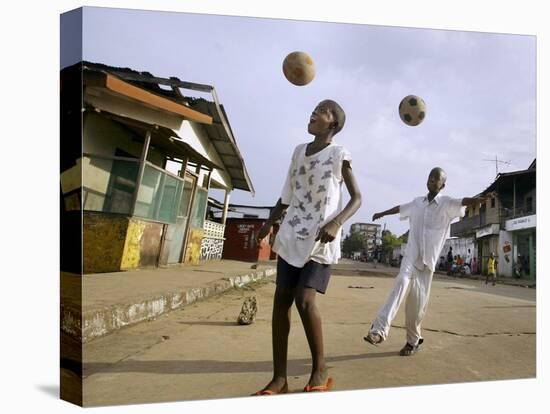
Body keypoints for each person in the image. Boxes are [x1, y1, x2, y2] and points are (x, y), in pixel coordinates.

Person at [253, 100, 362, 395]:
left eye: (323, 111)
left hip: (320, 239)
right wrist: (268, 223)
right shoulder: (298, 152)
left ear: (333, 125)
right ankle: (279, 378)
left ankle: (320, 370)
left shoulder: (340, 154)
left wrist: (336, 223)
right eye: (314, 109)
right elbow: (285, 197)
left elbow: (357, 198)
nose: (314, 113)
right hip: (291, 235)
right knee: (281, 303)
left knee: (304, 300)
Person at [363, 167, 496, 356]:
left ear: (443, 184)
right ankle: (378, 331)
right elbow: (400, 208)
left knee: (415, 309)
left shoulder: (447, 204)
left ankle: (413, 341)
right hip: (411, 256)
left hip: (427, 264)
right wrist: (382, 213)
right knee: (400, 283)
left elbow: (464, 201)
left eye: (437, 179)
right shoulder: (417, 203)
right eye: (430, 178)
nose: (433, 181)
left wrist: (480, 199)